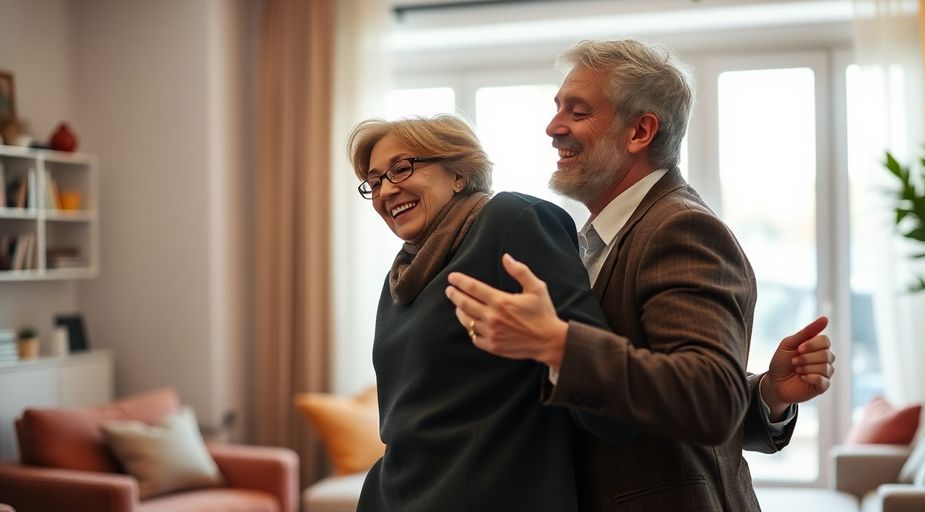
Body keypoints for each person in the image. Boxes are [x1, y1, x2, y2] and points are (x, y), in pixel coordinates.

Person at [350, 113, 830, 511]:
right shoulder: (402, 277)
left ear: (459, 172)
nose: (386, 189)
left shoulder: (511, 221)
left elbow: (605, 388)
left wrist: (553, 342)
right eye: (372, 181)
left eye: (402, 167)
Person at [445, 39, 835, 511]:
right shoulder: (600, 237)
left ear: (640, 132)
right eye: (557, 108)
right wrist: (766, 395)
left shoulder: (680, 228)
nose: (552, 127)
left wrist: (556, 344)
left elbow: (708, 399)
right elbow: (695, 400)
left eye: (578, 111)